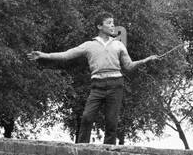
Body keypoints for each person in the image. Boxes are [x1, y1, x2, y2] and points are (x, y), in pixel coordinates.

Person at [29, 14, 161, 145]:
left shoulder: (119, 45)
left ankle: (109, 152)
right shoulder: (89, 45)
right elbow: (66, 55)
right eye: (109, 23)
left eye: (113, 23)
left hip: (116, 85)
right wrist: (44, 55)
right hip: (97, 85)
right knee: (86, 117)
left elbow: (129, 66)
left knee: (111, 122)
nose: (112, 25)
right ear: (99, 26)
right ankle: (82, 148)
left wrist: (145, 60)